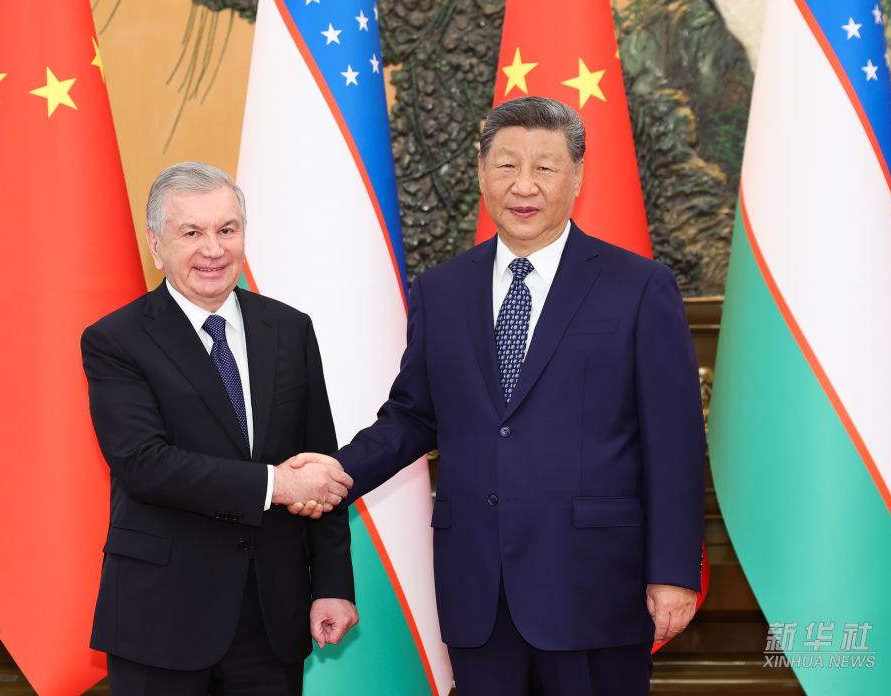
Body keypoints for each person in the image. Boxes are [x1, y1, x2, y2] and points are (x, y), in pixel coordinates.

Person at [290, 96, 706, 695]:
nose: (524, 185)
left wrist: (673, 572)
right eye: (507, 165)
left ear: (577, 177)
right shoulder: (441, 290)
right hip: (478, 590)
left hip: (594, 588)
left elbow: (675, 445)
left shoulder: (639, 287)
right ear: (482, 172)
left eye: (545, 167)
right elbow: (412, 416)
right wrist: (336, 473)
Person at [81, 161, 358, 695]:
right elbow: (144, 465)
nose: (213, 249)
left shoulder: (290, 329)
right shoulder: (115, 340)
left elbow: (319, 463)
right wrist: (276, 485)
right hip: (162, 617)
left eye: (227, 230)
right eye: (192, 233)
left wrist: (331, 585)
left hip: (272, 617)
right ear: (156, 245)